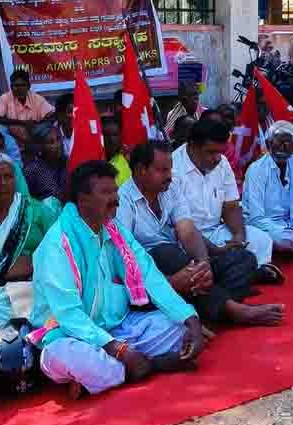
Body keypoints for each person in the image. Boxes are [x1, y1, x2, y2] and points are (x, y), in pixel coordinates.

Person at [29, 161, 206, 397]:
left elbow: (150, 276)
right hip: (68, 335)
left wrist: (190, 319)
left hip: (118, 328)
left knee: (178, 329)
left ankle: (117, 372)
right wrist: (120, 350)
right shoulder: (57, 245)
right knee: (76, 359)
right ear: (82, 199)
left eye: (115, 191)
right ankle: (149, 365)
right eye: (106, 192)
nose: (116, 199)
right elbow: (69, 315)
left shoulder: (113, 228)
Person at [117, 141, 284, 329]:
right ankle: (233, 310)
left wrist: (204, 264)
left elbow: (187, 230)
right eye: (162, 170)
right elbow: (125, 258)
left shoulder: (171, 188)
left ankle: (209, 311)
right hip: (153, 275)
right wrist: (171, 281)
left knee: (244, 259)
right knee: (165, 252)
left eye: (169, 170)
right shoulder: (123, 201)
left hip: (184, 264)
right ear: (141, 170)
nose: (169, 176)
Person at [171, 119, 283, 284]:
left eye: (220, 152)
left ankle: (243, 271)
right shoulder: (173, 167)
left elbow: (231, 206)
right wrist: (217, 250)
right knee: (186, 257)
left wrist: (238, 236)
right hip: (186, 238)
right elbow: (183, 229)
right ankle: (243, 273)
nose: (217, 158)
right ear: (193, 145)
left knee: (261, 239)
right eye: (211, 152)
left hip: (216, 231)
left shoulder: (222, 163)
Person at [0, 153, 61, 337]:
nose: (3, 183)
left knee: (57, 318)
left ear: (15, 180)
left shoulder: (36, 210)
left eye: (8, 177)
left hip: (36, 285)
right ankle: (23, 337)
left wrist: (40, 269)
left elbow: (58, 249)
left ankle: (20, 337)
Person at [242, 121, 293, 256]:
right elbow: (256, 218)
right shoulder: (256, 170)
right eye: (280, 142)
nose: (284, 147)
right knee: (278, 238)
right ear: (269, 144)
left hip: (291, 223)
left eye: (288, 142)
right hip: (265, 226)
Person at [0, 69, 54, 147]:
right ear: (11, 87)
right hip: (12, 139)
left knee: (48, 127)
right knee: (0, 129)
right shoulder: (4, 98)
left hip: (34, 136)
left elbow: (51, 114)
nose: (19, 89)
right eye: (16, 85)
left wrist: (37, 124)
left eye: (22, 85)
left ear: (28, 86)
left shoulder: (36, 98)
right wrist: (23, 123)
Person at [24, 123, 68, 201]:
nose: (57, 145)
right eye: (51, 142)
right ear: (41, 147)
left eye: (58, 139)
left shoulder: (67, 162)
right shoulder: (32, 170)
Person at [102, 115, 130, 185]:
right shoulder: (94, 166)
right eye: (106, 135)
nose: (111, 140)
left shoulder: (129, 162)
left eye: (115, 135)